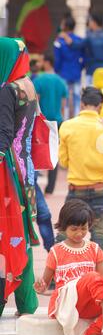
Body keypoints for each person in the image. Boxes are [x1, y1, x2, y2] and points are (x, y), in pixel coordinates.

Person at [34, 199, 103, 335]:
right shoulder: (56, 251)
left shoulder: (94, 248)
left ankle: (95, 330)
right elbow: (45, 285)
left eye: (83, 228)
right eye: (74, 229)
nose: (79, 233)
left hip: (91, 303)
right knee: (91, 277)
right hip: (68, 305)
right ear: (64, 227)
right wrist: (40, 286)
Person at [0, 37, 39, 317]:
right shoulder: (28, 85)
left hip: (8, 171)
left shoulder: (7, 91)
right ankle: (27, 304)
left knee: (7, 235)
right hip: (27, 169)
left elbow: (3, 133)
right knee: (21, 234)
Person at [58, 87, 103, 249]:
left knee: (65, 231)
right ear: (100, 106)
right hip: (100, 189)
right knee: (98, 233)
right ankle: (96, 273)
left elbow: (63, 162)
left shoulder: (67, 126)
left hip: (75, 189)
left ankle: (60, 270)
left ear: (82, 104)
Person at [34, 54, 68, 195]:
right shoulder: (61, 81)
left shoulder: (39, 80)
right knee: (54, 154)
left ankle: (34, 185)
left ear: (47, 62)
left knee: (36, 151)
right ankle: (50, 188)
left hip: (43, 122)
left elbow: (36, 100)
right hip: (57, 121)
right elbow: (64, 103)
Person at [61, 13, 103, 86]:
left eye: (90, 21)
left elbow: (75, 45)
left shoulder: (90, 37)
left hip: (92, 72)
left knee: (91, 94)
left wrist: (65, 36)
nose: (89, 23)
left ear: (94, 22)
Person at [54, 14, 84, 118]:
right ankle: (76, 118)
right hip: (76, 72)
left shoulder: (59, 42)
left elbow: (57, 60)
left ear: (65, 26)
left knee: (64, 99)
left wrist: (56, 70)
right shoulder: (79, 40)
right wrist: (80, 68)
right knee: (77, 98)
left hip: (63, 73)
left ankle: (65, 119)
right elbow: (83, 57)